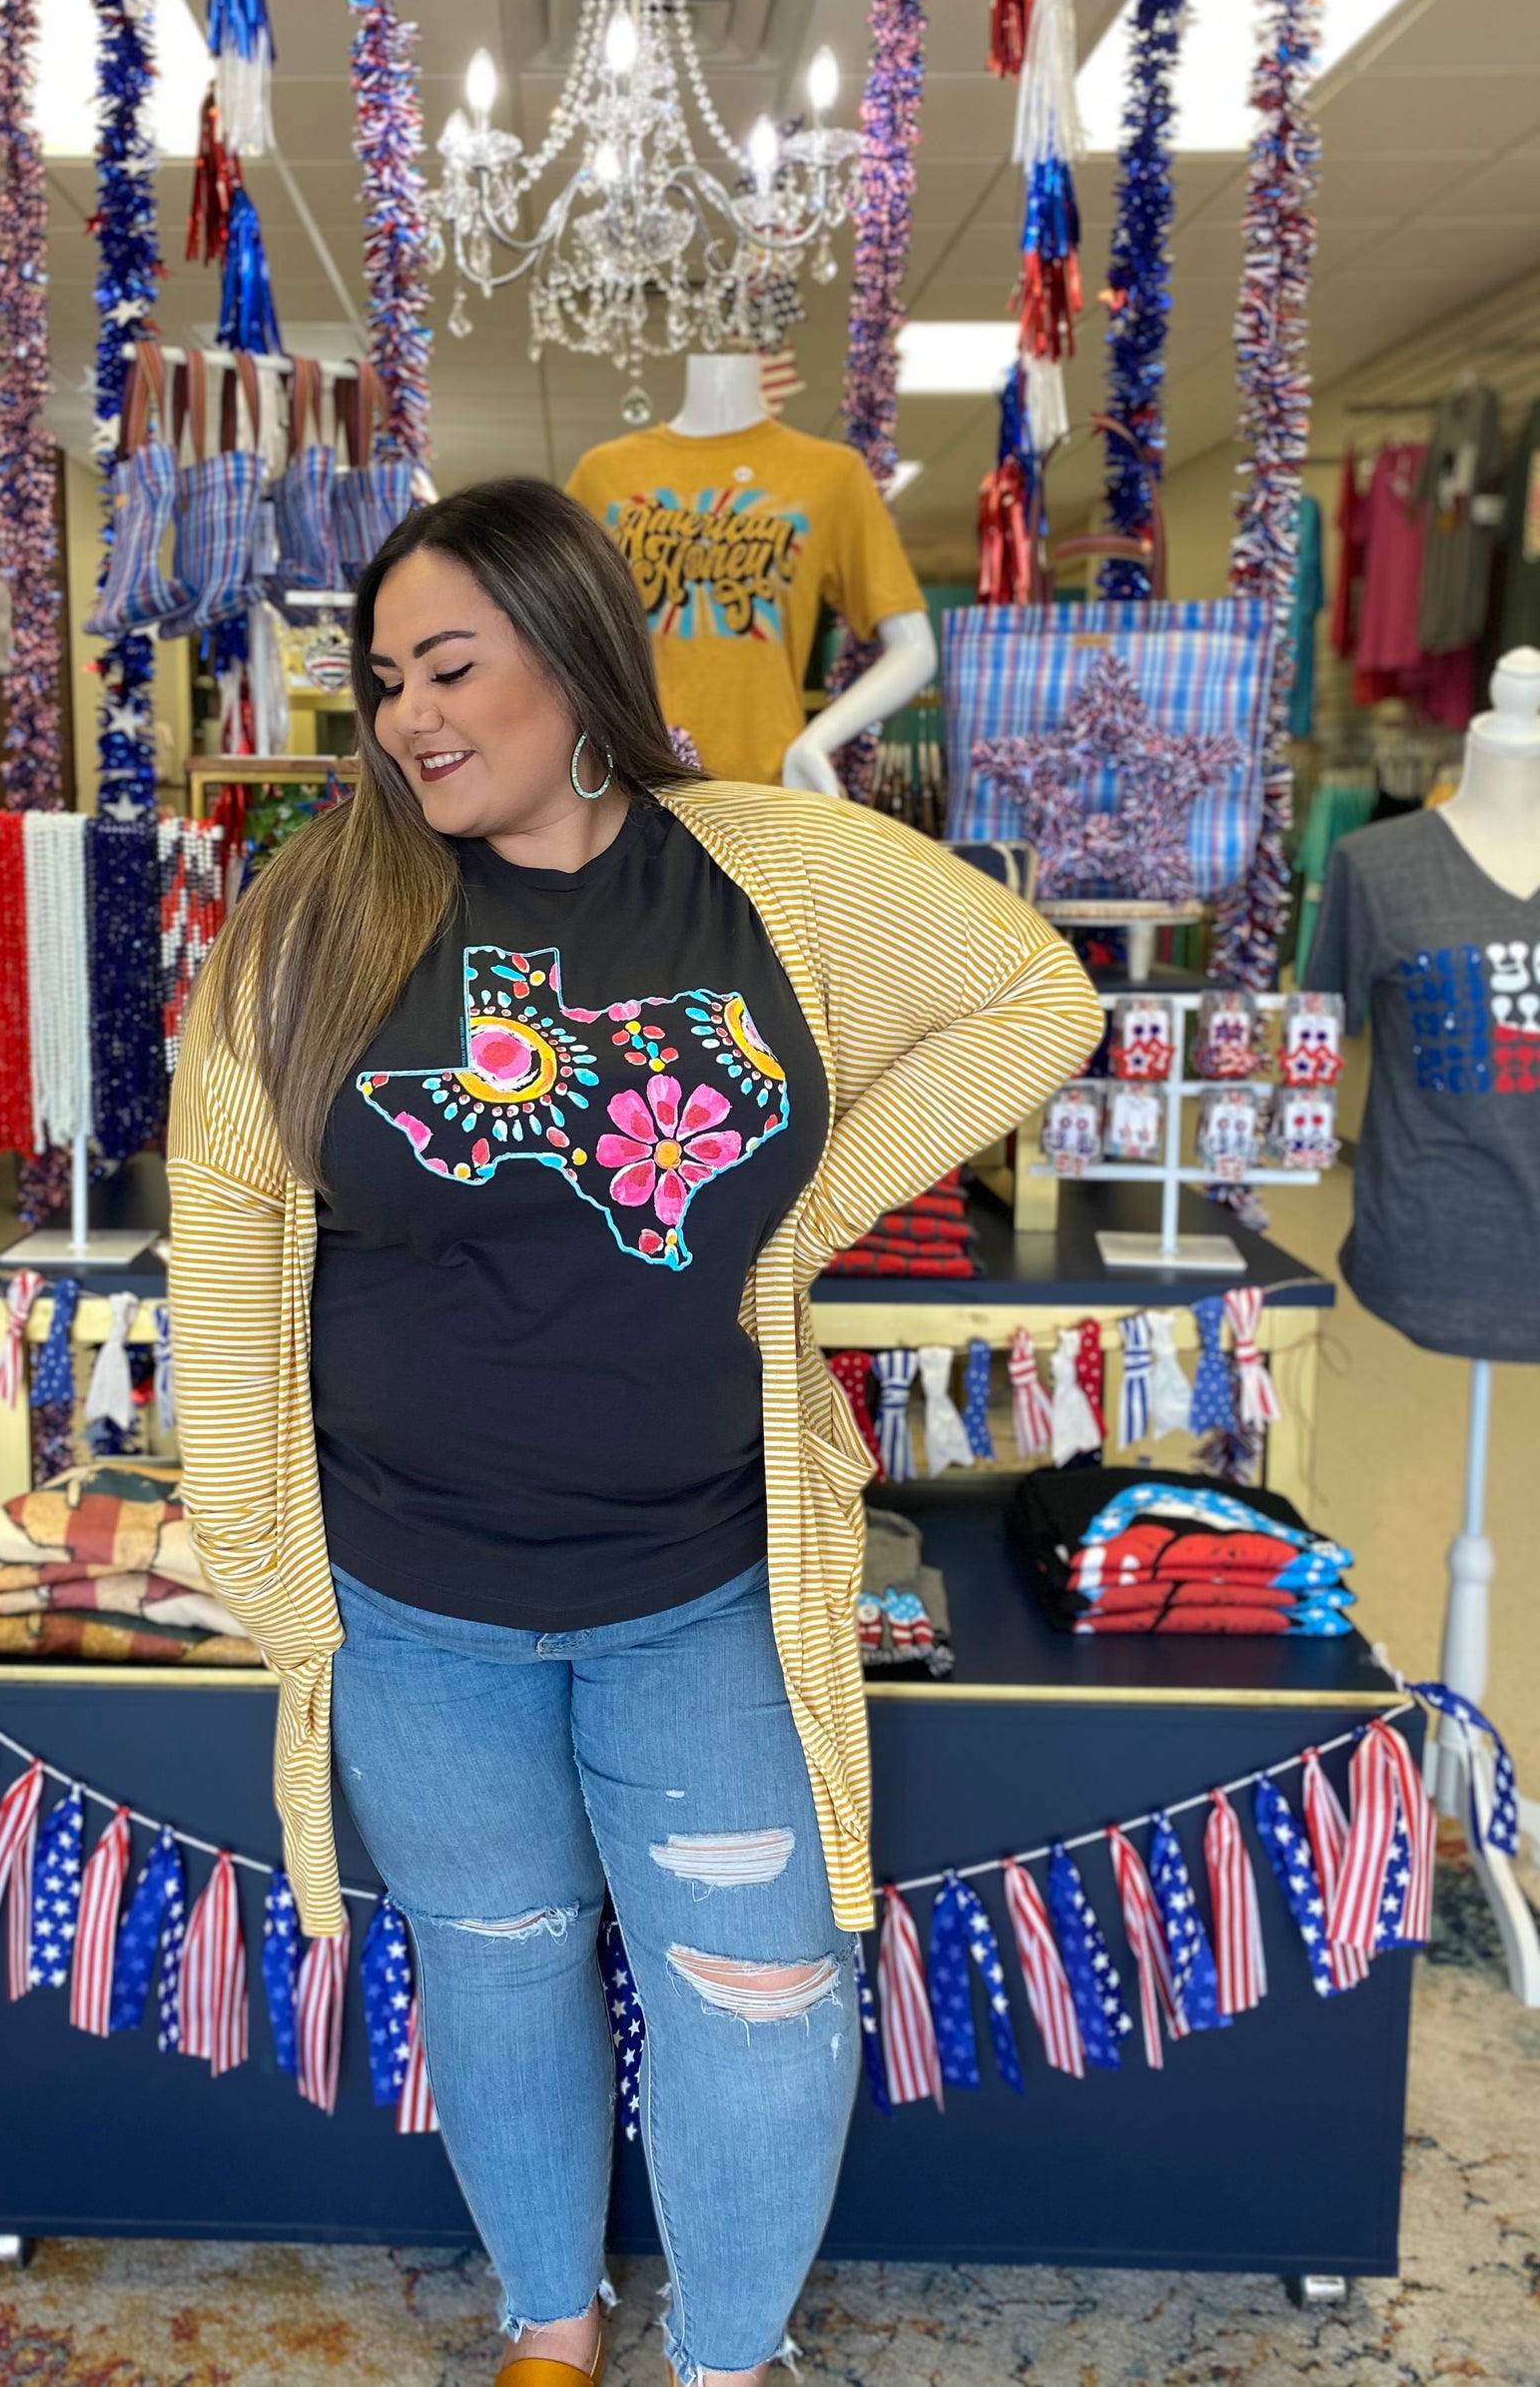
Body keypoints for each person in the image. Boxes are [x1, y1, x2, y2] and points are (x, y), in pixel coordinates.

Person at [169, 479, 1102, 2387]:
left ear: (575, 664)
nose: (413, 714)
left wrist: (813, 1199)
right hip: (410, 1592)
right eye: (384, 680)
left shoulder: (768, 871)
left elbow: (1035, 993)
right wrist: (263, 1556)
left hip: (703, 1588)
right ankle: (547, 2323)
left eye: (454, 665)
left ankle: (730, 2352)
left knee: (762, 2000)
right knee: (500, 1969)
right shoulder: (311, 921)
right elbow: (225, 1240)